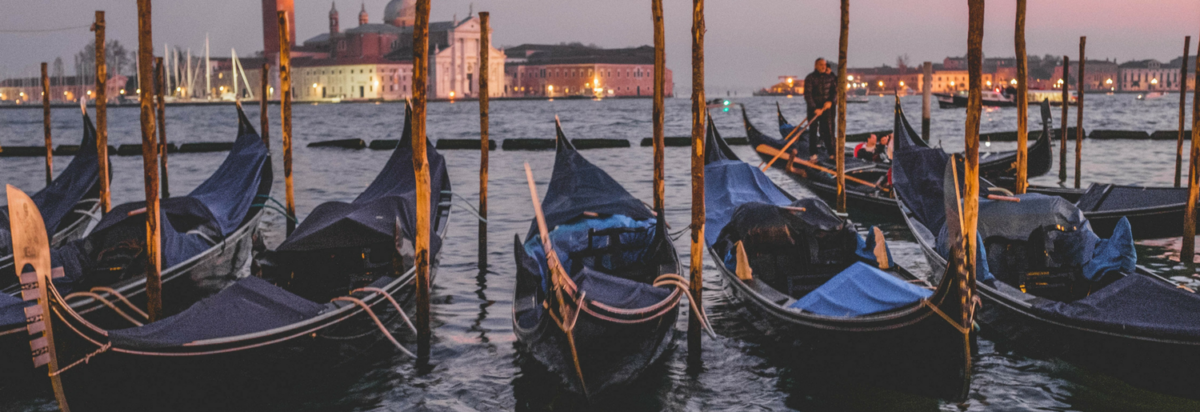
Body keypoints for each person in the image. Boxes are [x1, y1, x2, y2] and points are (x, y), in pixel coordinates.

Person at [804, 58, 838, 157]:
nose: (823, 66)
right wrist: (815, 108)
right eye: (821, 65)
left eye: (824, 65)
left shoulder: (830, 77)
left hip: (827, 108)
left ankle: (832, 153)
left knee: (828, 130)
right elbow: (808, 95)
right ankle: (813, 153)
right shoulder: (810, 78)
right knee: (813, 130)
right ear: (816, 66)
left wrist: (831, 102)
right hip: (813, 109)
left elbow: (835, 91)